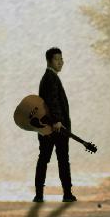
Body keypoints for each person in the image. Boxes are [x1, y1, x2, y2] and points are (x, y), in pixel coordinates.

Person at [35, 46, 77, 203]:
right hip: (54, 128)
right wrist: (58, 120)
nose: (61, 62)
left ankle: (43, 195)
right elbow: (52, 101)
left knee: (47, 159)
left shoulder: (50, 77)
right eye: (57, 59)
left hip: (50, 127)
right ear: (49, 61)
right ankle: (63, 194)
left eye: (62, 59)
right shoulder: (50, 78)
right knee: (58, 160)